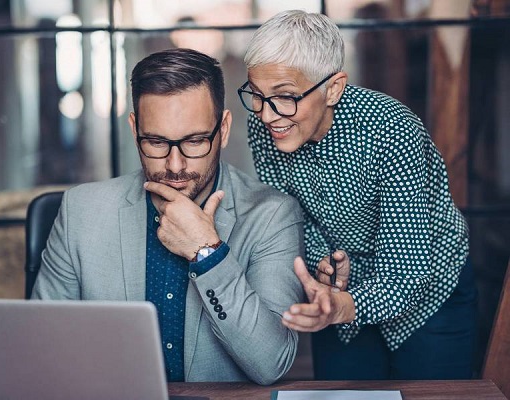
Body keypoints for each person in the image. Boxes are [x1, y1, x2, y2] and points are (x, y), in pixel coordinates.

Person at [32, 48, 324, 385]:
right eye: (155, 142)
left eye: (195, 141)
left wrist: (207, 253)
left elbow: (271, 363)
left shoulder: (272, 215)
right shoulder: (81, 211)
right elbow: (43, 351)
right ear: (134, 129)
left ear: (224, 129)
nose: (174, 165)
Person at [239, 10, 477, 380]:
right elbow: (291, 214)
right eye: (256, 95)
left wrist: (343, 307)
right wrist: (325, 263)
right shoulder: (267, 127)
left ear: (333, 88)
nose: (267, 115)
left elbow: (407, 273)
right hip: (340, 290)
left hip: (429, 292)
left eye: (285, 97)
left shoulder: (392, 132)